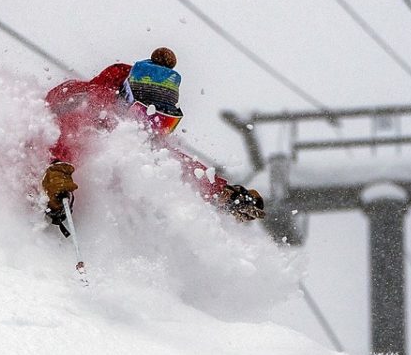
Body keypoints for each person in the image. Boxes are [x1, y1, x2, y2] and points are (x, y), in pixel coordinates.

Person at [39, 47, 265, 234]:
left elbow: (179, 167)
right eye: (146, 115)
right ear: (126, 98)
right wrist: (56, 168)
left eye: (163, 123)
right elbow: (62, 132)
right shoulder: (89, 101)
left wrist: (224, 193)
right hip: (35, 182)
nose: (151, 127)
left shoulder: (137, 135)